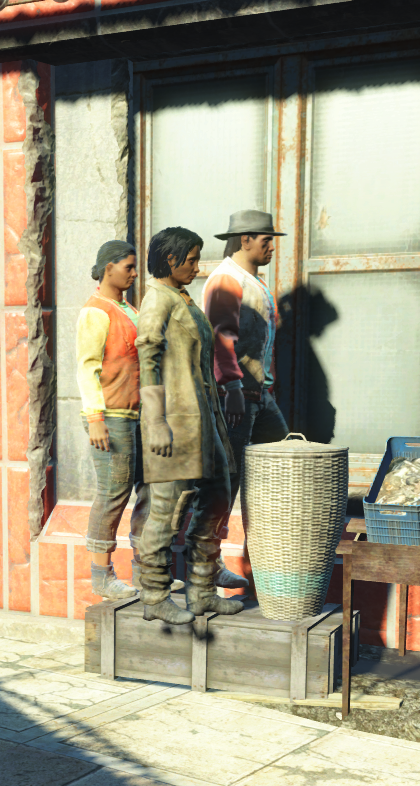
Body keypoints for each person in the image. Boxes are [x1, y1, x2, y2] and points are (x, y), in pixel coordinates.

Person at [133, 226, 244, 625]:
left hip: (204, 421)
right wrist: (156, 422)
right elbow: (147, 359)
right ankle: (155, 595)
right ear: (171, 260)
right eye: (192, 260)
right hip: (174, 424)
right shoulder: (157, 300)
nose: (198, 267)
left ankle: (202, 592)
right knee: (166, 510)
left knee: (217, 497)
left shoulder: (182, 298)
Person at [201, 209, 291, 592]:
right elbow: (221, 339)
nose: (271, 246)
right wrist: (233, 389)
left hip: (260, 396)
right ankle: (207, 563)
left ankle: (269, 556)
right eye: (266, 240)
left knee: (280, 465)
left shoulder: (254, 281)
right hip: (235, 396)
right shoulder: (227, 280)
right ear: (245, 240)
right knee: (228, 479)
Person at [77, 240, 146, 600]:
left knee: (147, 489)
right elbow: (87, 368)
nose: (134, 274)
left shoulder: (128, 308)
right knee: (112, 493)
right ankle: (101, 576)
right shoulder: (95, 312)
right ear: (109, 269)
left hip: (137, 414)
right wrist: (95, 419)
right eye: (128, 267)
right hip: (111, 417)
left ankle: (147, 573)